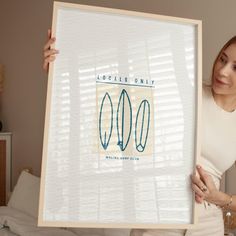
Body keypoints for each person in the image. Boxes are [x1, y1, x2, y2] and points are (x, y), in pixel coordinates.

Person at [43, 31, 236, 235]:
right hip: (158, 218)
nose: (222, 71)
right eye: (222, 59)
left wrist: (220, 198)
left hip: (208, 226)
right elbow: (113, 99)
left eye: (235, 67)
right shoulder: (185, 91)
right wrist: (57, 71)